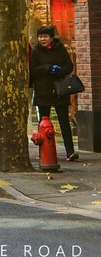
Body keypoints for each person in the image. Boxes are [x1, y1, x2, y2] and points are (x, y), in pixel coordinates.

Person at [30, 24, 77, 162]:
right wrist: (47, 68)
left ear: (51, 37)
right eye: (40, 37)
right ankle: (43, 151)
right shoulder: (36, 51)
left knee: (64, 121)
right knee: (43, 123)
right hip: (43, 91)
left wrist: (59, 71)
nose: (42, 39)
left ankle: (70, 151)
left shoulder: (60, 49)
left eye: (45, 36)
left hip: (59, 90)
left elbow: (69, 66)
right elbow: (32, 70)